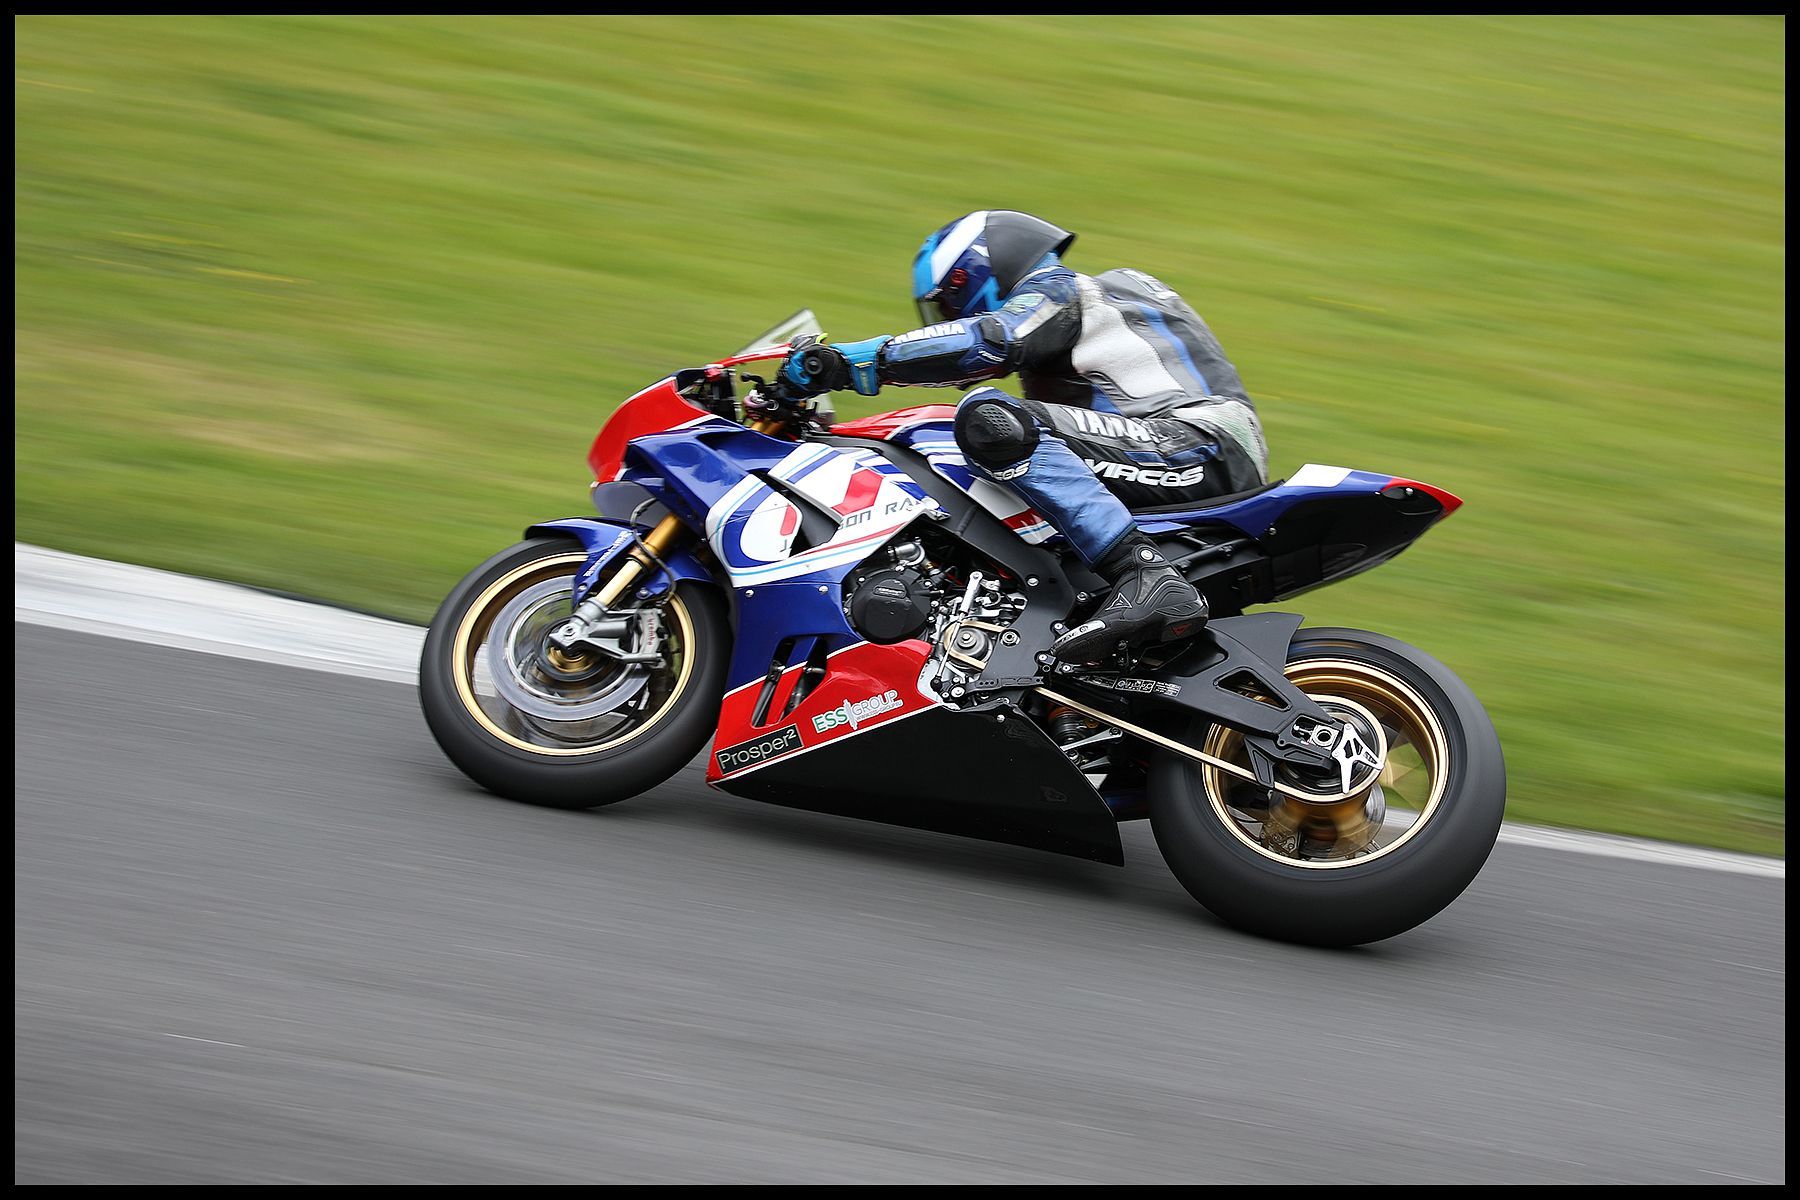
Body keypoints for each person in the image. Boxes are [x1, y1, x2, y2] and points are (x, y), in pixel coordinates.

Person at [775, 209, 1269, 663]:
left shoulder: (1062, 289)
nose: (949, 319)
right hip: (1182, 445)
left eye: (949, 303)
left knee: (990, 418)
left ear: (981, 273)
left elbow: (992, 340)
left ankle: (1143, 573)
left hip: (1192, 441)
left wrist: (851, 363)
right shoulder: (1078, 322)